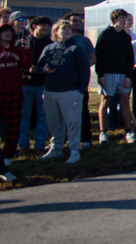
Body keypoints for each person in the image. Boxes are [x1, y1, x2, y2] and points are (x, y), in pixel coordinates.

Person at [37, 20, 90, 165]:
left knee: (73, 122)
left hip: (71, 91)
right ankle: (56, 149)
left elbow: (85, 70)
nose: (67, 31)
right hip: (50, 91)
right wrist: (43, 70)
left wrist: (81, 90)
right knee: (54, 123)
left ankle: (74, 150)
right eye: (63, 28)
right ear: (55, 32)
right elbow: (39, 66)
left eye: (69, 28)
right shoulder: (49, 48)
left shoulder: (76, 49)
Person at [94, 9, 135, 144]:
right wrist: (100, 74)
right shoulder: (105, 34)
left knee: (124, 101)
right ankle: (103, 132)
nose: (124, 21)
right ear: (115, 19)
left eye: (126, 18)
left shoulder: (125, 36)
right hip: (108, 74)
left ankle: (128, 131)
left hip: (123, 74)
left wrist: (129, 76)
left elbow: (130, 58)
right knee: (105, 101)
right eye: (122, 18)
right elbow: (98, 56)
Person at [0, 24, 31, 180]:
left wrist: (27, 48)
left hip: (15, 93)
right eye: (4, 32)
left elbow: (26, 66)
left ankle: (8, 155)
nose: (8, 34)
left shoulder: (18, 50)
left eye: (10, 32)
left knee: (13, 127)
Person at [19, 16, 53, 152]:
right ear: (34, 27)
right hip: (25, 83)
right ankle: (23, 145)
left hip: (42, 84)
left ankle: (39, 145)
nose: (45, 28)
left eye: (47, 25)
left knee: (42, 116)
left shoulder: (49, 43)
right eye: (42, 25)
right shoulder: (24, 42)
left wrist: (39, 69)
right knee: (24, 116)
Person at [65, 13, 96, 148]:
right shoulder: (61, 40)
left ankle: (86, 139)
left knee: (82, 109)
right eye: (75, 21)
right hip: (63, 82)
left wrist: (80, 68)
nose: (78, 23)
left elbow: (93, 58)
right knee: (64, 111)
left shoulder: (84, 40)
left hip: (80, 81)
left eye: (80, 21)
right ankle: (64, 139)